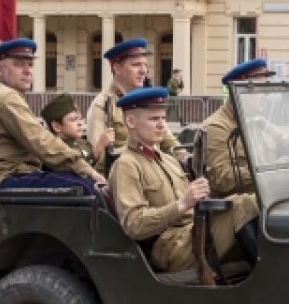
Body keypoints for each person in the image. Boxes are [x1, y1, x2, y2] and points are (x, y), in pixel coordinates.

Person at [109, 86, 260, 273]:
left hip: (193, 232)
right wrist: (182, 204)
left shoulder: (168, 159)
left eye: (163, 118)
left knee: (255, 202)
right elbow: (134, 224)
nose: (162, 125)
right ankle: (266, 274)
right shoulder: (127, 165)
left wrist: (199, 195)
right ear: (130, 121)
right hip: (170, 247)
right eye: (154, 119)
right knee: (244, 205)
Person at [0, 38, 106, 194]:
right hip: (1, 179)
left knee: (73, 180)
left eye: (30, 64)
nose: (27, 71)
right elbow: (40, 140)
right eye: (19, 64)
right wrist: (86, 169)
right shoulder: (5, 97)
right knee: (85, 188)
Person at [86, 38, 180, 171]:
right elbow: (98, 157)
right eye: (136, 65)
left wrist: (185, 158)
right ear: (117, 68)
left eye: (145, 65)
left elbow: (168, 140)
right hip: (124, 175)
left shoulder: (146, 99)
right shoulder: (102, 104)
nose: (143, 71)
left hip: (154, 171)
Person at [201, 58, 289, 197]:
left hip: (266, 201)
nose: (267, 95)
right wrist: (271, 170)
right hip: (236, 211)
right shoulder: (216, 127)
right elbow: (220, 179)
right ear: (239, 90)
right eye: (261, 89)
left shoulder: (258, 122)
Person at [41, 94, 112, 166]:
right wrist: (99, 147)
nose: (80, 123)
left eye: (79, 118)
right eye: (73, 120)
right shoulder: (55, 150)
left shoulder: (83, 143)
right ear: (57, 126)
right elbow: (78, 168)